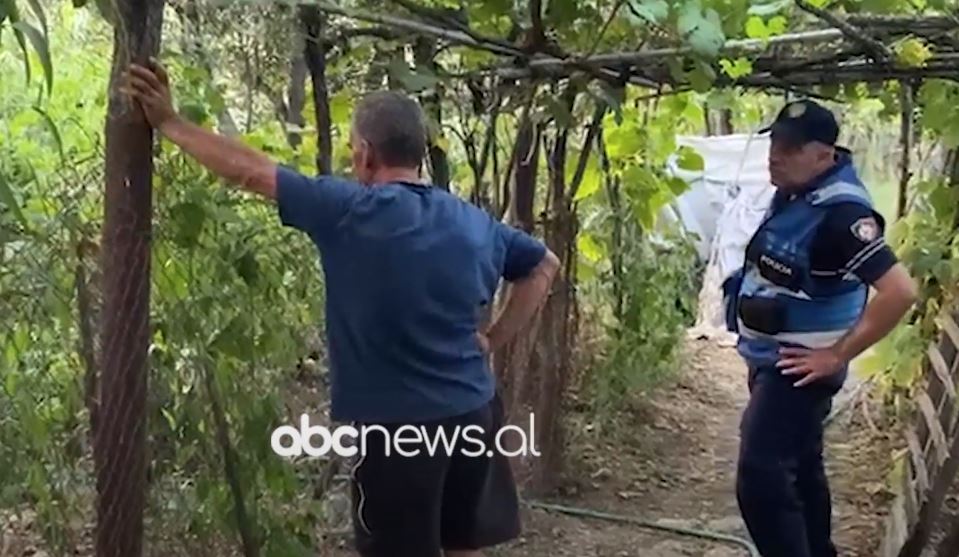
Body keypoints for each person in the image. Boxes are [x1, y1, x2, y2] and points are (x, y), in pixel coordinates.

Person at [121, 59, 560, 557]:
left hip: (398, 433)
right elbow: (544, 264)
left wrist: (170, 123)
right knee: (460, 545)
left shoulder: (349, 210)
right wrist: (494, 339)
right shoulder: (476, 223)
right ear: (419, 154)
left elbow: (249, 171)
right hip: (473, 413)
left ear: (366, 154)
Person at [722, 99, 918, 557]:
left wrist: (837, 354)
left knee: (761, 474)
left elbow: (900, 292)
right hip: (777, 359)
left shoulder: (843, 214)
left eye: (790, 148)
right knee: (800, 465)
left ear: (824, 155)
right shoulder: (798, 195)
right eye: (774, 143)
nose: (776, 154)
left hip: (798, 368)